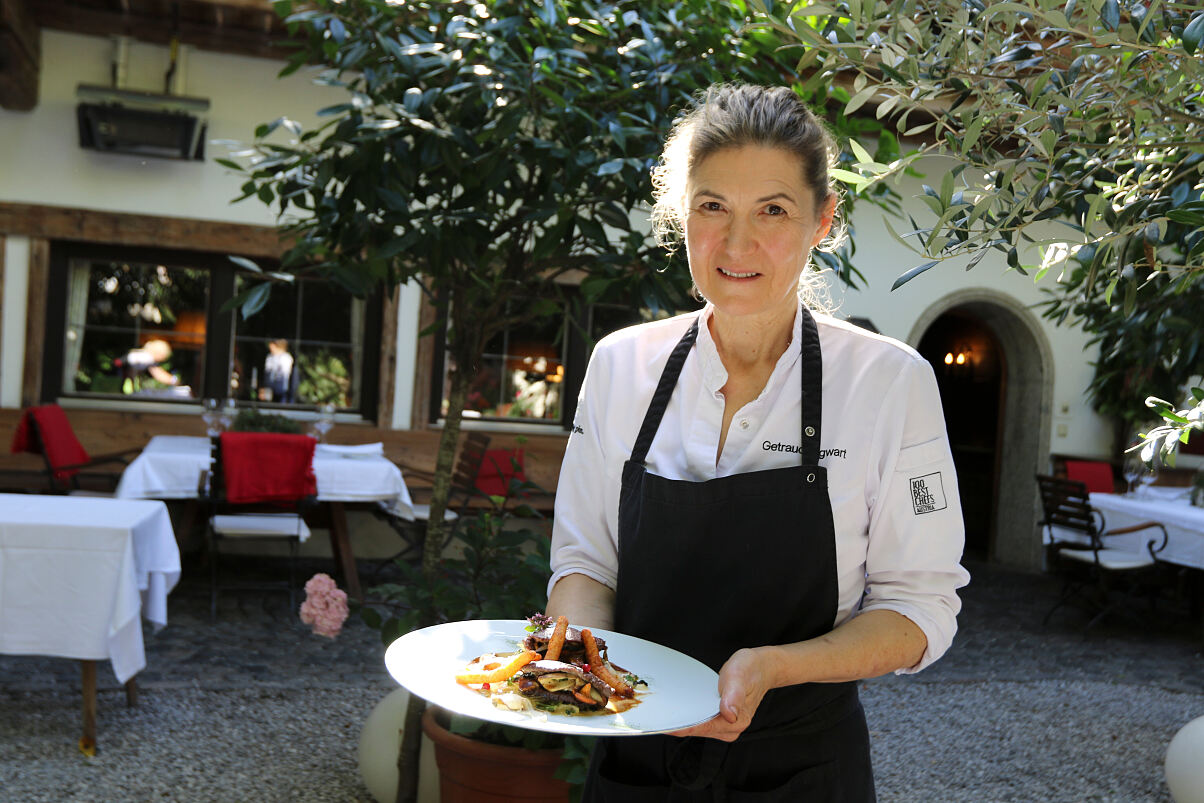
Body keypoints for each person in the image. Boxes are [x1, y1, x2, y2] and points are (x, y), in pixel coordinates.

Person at [546, 84, 969, 801]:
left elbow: (920, 610)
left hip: (800, 769)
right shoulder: (622, 367)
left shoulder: (890, 385)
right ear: (683, 214)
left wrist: (772, 666)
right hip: (633, 762)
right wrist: (589, 660)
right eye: (712, 207)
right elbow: (584, 562)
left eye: (772, 210)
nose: (736, 245)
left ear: (821, 220)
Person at [262, 338, 295, 403]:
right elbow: (268, 369)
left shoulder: (286, 357)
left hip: (281, 386)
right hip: (270, 385)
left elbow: (285, 373)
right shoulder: (270, 357)